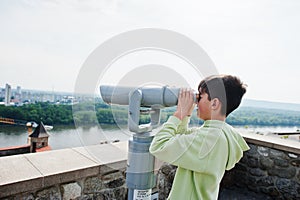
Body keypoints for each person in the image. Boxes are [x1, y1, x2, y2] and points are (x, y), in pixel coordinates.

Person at [149, 74, 250, 200]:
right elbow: (181, 137)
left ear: (214, 103)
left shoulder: (210, 138)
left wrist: (179, 114)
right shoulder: (222, 133)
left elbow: (159, 145)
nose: (196, 102)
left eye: (200, 97)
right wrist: (186, 115)